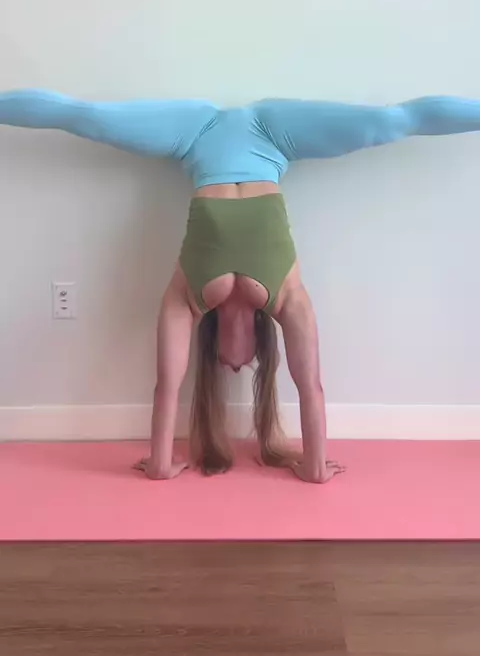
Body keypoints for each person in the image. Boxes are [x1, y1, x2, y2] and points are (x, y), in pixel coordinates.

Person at [2, 90, 480, 483]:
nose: (236, 364)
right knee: (393, 122)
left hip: (196, 134)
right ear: (261, 347)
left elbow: (166, 387)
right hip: (274, 133)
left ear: (211, 349)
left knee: (85, 116)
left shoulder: (188, 297)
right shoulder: (287, 296)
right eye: (248, 365)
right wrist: (314, 468)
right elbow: (311, 387)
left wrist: (161, 464)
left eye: (226, 366)